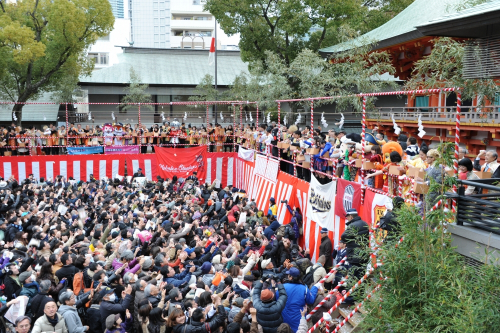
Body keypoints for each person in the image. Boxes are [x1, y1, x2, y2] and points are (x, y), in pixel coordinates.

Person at [277, 267, 320, 332]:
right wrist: (315, 287)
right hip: (298, 321)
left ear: (291, 277)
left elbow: (277, 299)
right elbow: (311, 300)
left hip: (284, 320)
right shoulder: (304, 288)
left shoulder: (282, 287)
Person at [341, 208, 369, 279]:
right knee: (362, 278)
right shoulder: (364, 223)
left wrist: (350, 240)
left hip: (354, 257)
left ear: (351, 217)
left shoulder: (352, 226)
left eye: (347, 217)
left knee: (353, 279)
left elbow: (343, 237)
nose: (347, 219)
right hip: (364, 255)